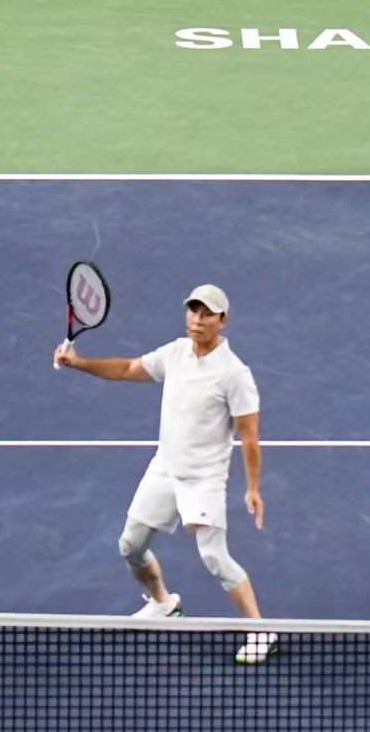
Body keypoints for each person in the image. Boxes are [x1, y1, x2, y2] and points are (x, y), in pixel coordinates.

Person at [53, 283, 275, 665]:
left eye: (206, 314)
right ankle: (164, 604)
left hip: (202, 479)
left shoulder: (235, 374)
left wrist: (253, 487)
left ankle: (261, 631)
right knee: (131, 546)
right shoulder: (175, 353)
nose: (197, 320)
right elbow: (128, 369)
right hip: (164, 469)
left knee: (215, 558)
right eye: (193, 311)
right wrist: (80, 363)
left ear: (222, 320)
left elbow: (250, 435)